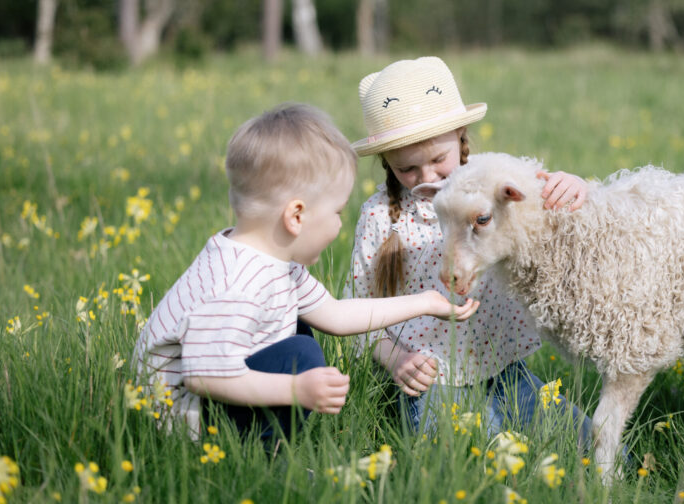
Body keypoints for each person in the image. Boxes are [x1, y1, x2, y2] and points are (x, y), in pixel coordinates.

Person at [133, 103, 479, 441]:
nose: (339, 225)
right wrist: (296, 388)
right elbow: (204, 377)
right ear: (296, 216)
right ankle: (263, 457)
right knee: (301, 355)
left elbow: (336, 316)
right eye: (337, 213)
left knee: (298, 326)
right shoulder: (238, 282)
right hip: (181, 425)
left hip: (213, 400)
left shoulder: (275, 264)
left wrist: (425, 302)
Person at [346, 57, 592, 446]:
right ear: (386, 161)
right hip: (432, 380)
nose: (427, 177)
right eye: (407, 169)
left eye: (437, 160)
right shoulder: (379, 217)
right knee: (476, 461)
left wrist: (573, 185)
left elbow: (545, 201)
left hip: (506, 372)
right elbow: (358, 312)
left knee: (594, 447)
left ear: (460, 135)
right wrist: (397, 361)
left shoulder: (491, 180)